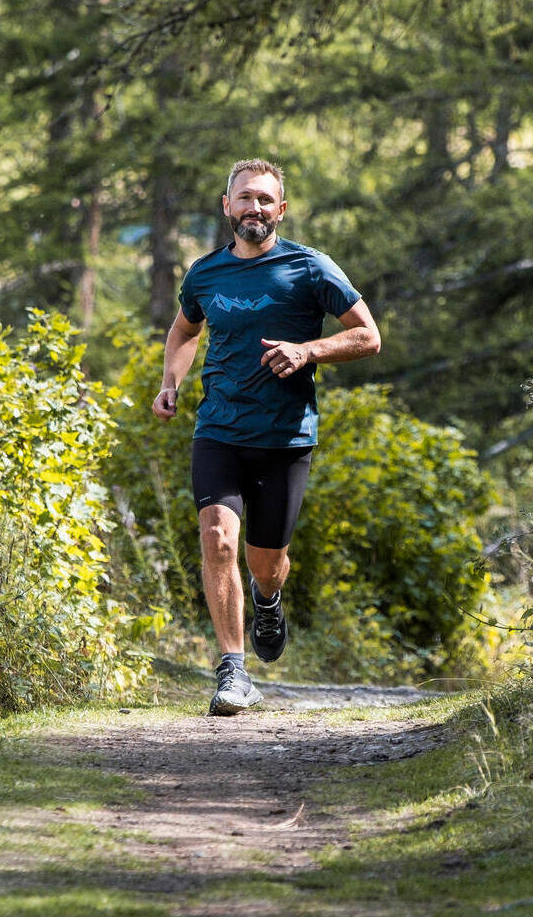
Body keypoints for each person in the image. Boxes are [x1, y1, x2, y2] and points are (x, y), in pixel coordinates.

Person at [151, 158, 382, 715]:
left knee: (266, 562)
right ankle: (233, 671)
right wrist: (170, 383)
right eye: (244, 198)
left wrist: (308, 350)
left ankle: (268, 598)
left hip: (285, 436)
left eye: (264, 200)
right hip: (219, 430)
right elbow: (186, 328)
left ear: (281, 209)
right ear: (227, 206)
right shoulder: (205, 274)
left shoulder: (311, 269)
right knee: (217, 539)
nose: (254, 208)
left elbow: (368, 336)